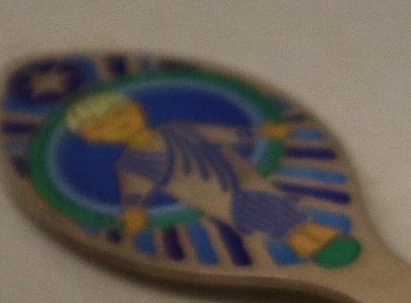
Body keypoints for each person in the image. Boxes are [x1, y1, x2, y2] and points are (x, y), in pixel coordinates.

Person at [64, 91, 359, 267]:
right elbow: (133, 192)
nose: (117, 123)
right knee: (269, 219)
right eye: (102, 125)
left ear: (137, 108)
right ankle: (312, 247)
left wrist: (261, 132)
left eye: (119, 112)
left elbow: (223, 134)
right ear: (92, 137)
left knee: (281, 209)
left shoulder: (178, 128)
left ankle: (324, 239)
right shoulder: (131, 165)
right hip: (217, 197)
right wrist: (133, 213)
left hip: (241, 178)